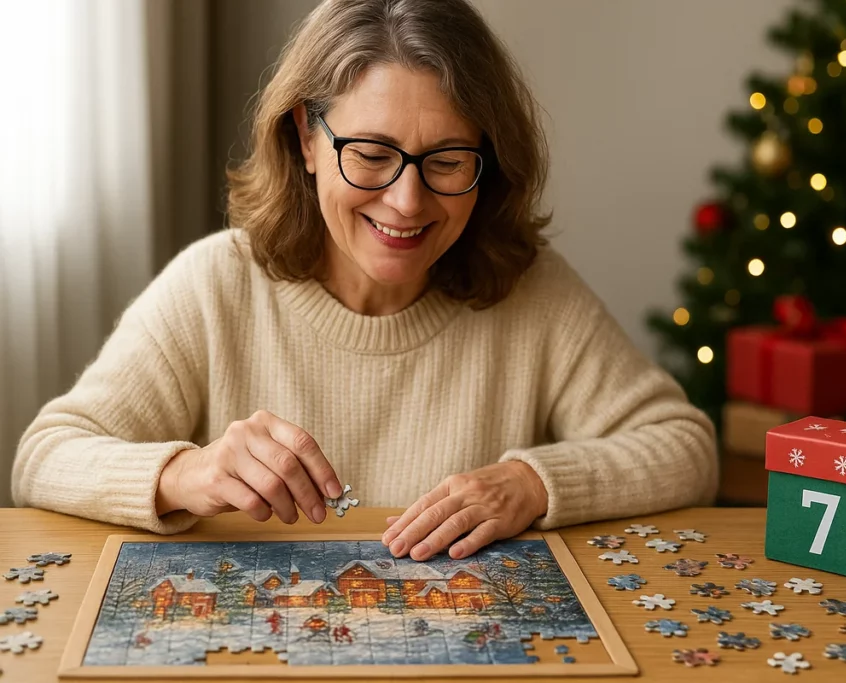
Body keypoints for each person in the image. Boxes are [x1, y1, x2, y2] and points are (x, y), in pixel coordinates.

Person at [12, 0, 716, 562]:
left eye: (445, 161)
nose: (407, 203)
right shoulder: (215, 285)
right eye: (373, 154)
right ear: (307, 139)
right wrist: (182, 475)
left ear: (488, 160)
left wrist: (532, 483)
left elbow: (685, 447)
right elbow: (43, 458)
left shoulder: (531, 290)